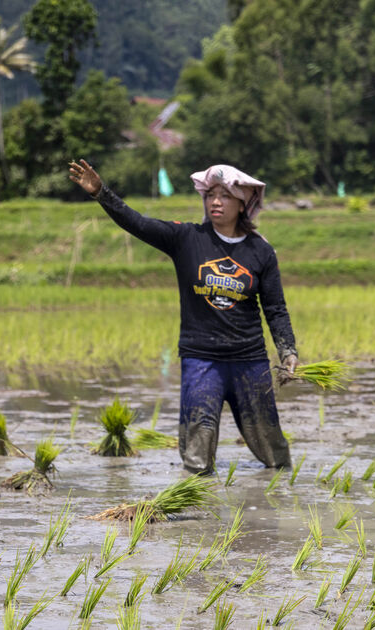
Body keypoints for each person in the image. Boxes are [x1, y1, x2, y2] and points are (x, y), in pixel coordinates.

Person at [68, 159, 298, 473]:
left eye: (226, 196)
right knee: (197, 457)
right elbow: (137, 222)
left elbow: (275, 308)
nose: (216, 202)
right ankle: (199, 516)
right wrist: (101, 192)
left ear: (243, 203)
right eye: (210, 195)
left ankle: (278, 506)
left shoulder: (261, 252)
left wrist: (288, 350)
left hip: (250, 362)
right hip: (201, 361)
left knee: (275, 455)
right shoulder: (187, 239)